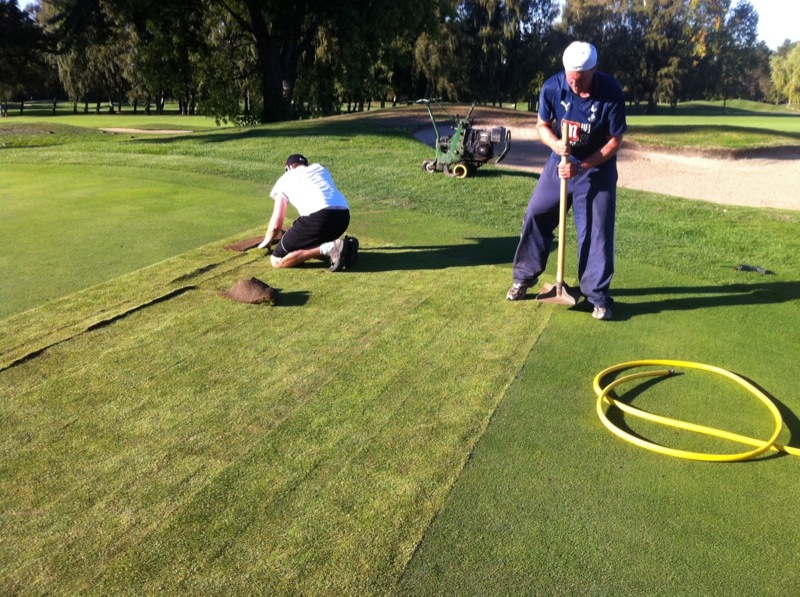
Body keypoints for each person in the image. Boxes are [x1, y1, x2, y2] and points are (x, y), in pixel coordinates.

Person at [506, 41, 627, 321]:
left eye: (580, 79)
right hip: (560, 163)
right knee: (536, 212)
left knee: (596, 230)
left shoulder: (610, 92)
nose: (574, 84)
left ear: (593, 70)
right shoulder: (553, 87)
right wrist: (555, 145)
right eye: (570, 78)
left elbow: (614, 141)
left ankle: (597, 296)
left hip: (596, 168)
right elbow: (542, 125)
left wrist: (582, 166)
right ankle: (523, 278)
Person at [259, 154, 359, 271]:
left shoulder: (284, 179)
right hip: (343, 218)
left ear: (287, 168)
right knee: (309, 240)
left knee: (276, 260)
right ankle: (346, 247)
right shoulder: (320, 169)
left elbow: (277, 224)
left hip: (319, 219)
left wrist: (267, 240)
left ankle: (329, 248)